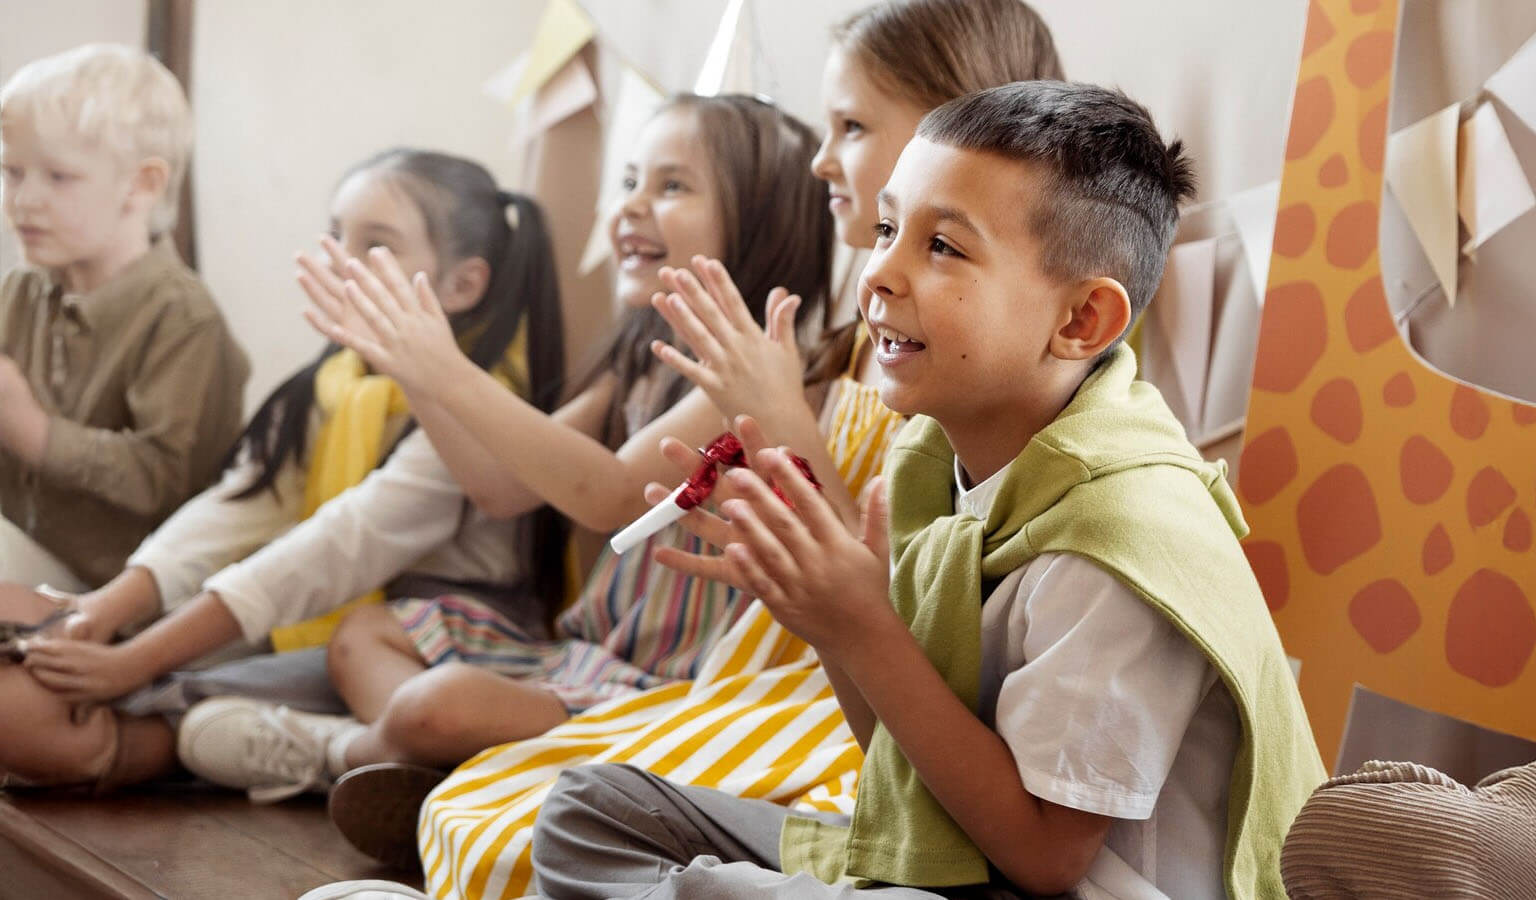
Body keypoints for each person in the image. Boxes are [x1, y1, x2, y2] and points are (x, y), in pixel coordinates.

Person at [531, 81, 1326, 900]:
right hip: (965, 859)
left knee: (711, 890)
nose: (878, 272)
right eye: (885, 229)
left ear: (1082, 321)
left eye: (942, 247)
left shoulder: (1121, 540)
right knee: (591, 810)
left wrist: (865, 627)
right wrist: (835, 626)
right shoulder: (931, 464)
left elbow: (1048, 858)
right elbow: (907, 765)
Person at [398, 1, 1069, 893]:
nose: (822, 159)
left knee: (510, 825)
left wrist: (778, 419)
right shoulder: (859, 339)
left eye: (853, 126)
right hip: (762, 674)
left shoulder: (970, 360)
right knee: (474, 808)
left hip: (851, 703)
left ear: (961, 124)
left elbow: (904, 595)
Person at [176, 94, 837, 806]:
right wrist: (412, 366)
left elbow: (611, 494)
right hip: (590, 659)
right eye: (630, 182)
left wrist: (446, 369)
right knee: (365, 634)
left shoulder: (754, 369)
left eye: (671, 186)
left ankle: (345, 754)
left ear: (763, 220)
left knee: (439, 707)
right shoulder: (637, 361)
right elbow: (502, 487)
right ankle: (431, 773)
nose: (632, 206)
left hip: (671, 694)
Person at [0, 148, 566, 792]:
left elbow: (334, 549)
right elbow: (241, 504)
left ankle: (315, 754)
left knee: (45, 711)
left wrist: (136, 660)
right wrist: (110, 606)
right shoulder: (337, 380)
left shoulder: (481, 409)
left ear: (461, 286)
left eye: (374, 245)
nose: (338, 261)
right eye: (334, 234)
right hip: (315, 627)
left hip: (420, 643)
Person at [0, 43, 247, 590]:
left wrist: (34, 433)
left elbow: (162, 478)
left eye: (58, 177)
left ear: (143, 185)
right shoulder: (21, 289)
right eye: (12, 173)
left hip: (119, 592)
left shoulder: (182, 318)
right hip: (25, 553)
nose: (23, 201)